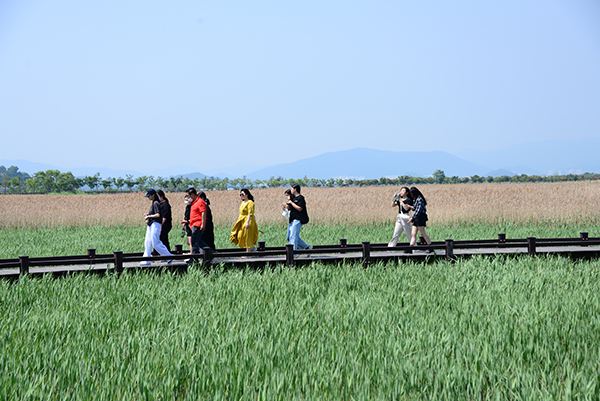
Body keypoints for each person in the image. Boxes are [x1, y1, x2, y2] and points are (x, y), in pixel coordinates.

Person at [141, 188, 172, 265]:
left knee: (155, 242)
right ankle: (146, 259)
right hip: (151, 224)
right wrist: (149, 216)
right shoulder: (154, 203)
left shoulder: (156, 203)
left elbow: (158, 215)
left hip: (156, 224)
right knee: (147, 242)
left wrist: (149, 216)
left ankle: (169, 256)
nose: (148, 198)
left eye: (149, 196)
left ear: (153, 195)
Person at [407, 186, 432, 252]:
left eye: (412, 194)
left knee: (422, 233)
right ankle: (410, 248)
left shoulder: (420, 199)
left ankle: (430, 246)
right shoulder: (415, 199)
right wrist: (410, 206)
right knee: (413, 233)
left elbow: (419, 210)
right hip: (417, 217)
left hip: (420, 217)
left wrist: (412, 218)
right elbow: (415, 208)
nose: (411, 195)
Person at [287, 184, 311, 251]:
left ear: (295, 189)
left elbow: (300, 208)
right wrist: (287, 203)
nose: (291, 190)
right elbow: (289, 209)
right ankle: (306, 247)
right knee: (289, 236)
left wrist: (291, 202)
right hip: (292, 220)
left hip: (298, 219)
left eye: (292, 189)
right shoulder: (293, 198)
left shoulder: (301, 198)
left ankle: (294, 253)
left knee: (293, 237)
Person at [186, 187, 208, 257]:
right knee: (199, 242)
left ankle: (194, 258)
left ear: (192, 195)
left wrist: (202, 224)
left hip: (197, 224)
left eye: (189, 196)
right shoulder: (194, 202)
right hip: (193, 224)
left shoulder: (200, 202)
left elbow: (203, 213)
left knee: (194, 242)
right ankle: (210, 252)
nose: (188, 198)